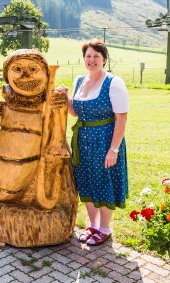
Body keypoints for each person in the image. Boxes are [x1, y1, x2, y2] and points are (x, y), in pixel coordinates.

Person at [56, 39, 129, 246]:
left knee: (104, 182)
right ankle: (93, 226)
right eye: (88, 56)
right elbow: (75, 112)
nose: (91, 60)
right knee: (86, 180)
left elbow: (122, 118)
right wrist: (66, 97)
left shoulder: (113, 82)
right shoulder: (80, 80)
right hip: (83, 140)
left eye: (96, 56)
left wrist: (113, 149)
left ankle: (105, 229)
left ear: (104, 59)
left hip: (105, 140)